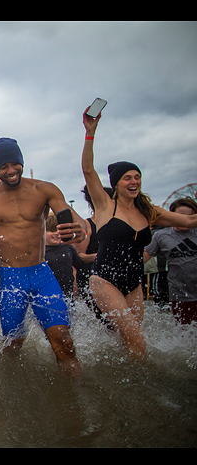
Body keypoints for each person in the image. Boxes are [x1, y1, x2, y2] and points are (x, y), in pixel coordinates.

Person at [81, 106, 197, 359]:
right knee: (138, 342)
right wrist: (90, 133)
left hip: (134, 282)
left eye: (137, 177)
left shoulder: (148, 211)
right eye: (127, 178)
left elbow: (189, 222)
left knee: (128, 344)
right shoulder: (104, 205)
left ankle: (118, 380)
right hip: (105, 280)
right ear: (116, 183)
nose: (134, 182)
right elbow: (89, 171)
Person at [0, 137, 87, 377]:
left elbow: (72, 219)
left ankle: (74, 402)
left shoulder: (44, 189)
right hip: (11, 279)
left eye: (14, 164)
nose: (11, 171)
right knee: (12, 346)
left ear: (21, 161)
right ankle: (13, 394)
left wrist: (77, 229)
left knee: (64, 343)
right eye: (3, 167)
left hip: (42, 274)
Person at [144, 197, 197, 325]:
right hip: (179, 294)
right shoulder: (162, 235)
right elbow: (146, 255)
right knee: (184, 333)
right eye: (180, 216)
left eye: (189, 216)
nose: (185, 220)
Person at [74, 185, 114, 323]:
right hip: (91, 275)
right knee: (103, 320)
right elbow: (78, 255)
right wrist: (102, 255)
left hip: (113, 274)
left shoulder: (119, 225)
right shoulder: (88, 225)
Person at [44, 214, 85, 301]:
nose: (56, 233)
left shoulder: (68, 247)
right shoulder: (40, 252)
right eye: (51, 230)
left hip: (68, 293)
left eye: (59, 230)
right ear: (42, 232)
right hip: (48, 294)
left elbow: (80, 267)